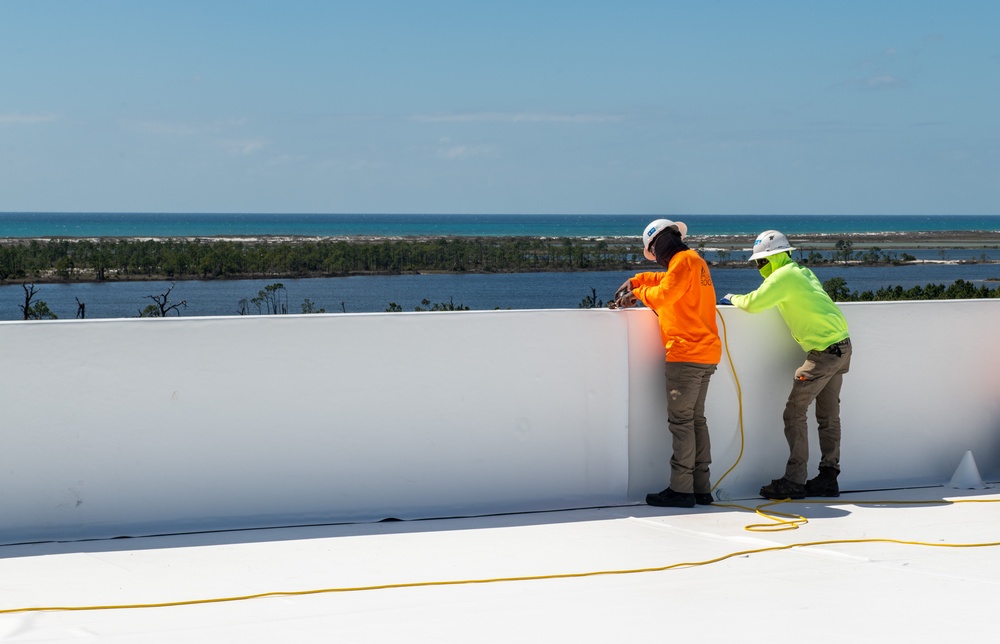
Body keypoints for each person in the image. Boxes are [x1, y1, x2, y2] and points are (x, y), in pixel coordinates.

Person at [720, 230, 851, 499]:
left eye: (760, 262)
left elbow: (754, 304)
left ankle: (794, 481)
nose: (759, 267)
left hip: (824, 353)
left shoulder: (782, 276)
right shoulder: (801, 272)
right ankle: (829, 477)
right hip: (842, 347)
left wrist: (730, 298)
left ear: (774, 258)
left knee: (794, 412)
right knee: (828, 415)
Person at [612, 218, 721, 508]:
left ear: (657, 245)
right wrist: (638, 279)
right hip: (705, 353)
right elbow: (666, 281)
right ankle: (701, 488)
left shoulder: (683, 262)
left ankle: (681, 490)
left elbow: (666, 294)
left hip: (686, 355)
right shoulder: (692, 261)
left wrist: (636, 293)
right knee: (696, 420)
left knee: (682, 423)